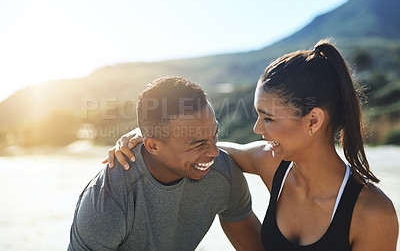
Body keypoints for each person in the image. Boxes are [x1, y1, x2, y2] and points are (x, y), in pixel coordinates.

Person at [106, 40, 399, 250]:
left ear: (313, 121)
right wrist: (147, 133)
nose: (257, 129)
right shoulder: (272, 165)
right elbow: (210, 151)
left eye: (268, 118)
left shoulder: (373, 214)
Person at [68, 77, 263, 250]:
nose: (214, 152)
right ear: (152, 146)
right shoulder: (108, 199)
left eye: (214, 135)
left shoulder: (223, 172)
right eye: (198, 144)